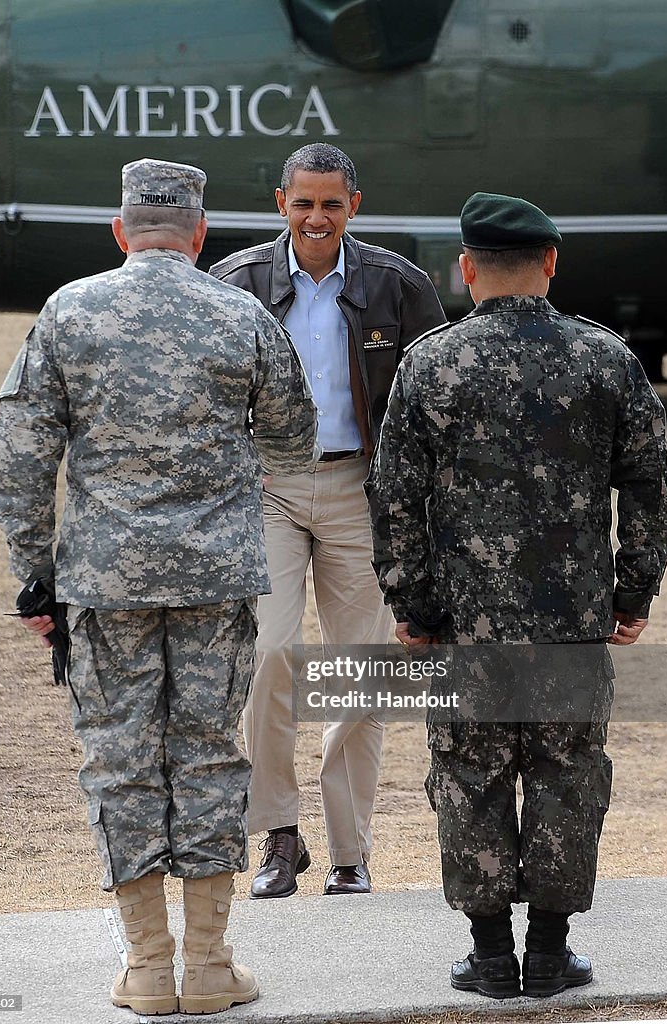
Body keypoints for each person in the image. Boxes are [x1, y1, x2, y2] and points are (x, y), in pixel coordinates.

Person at [0, 158, 318, 1016]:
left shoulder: (70, 311)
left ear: (120, 230)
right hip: (216, 579)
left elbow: (21, 459)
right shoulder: (239, 310)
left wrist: (37, 578)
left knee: (122, 758)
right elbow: (292, 436)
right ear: (200, 234)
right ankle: (209, 967)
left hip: (104, 582)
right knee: (210, 752)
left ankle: (146, 968)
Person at [366, 192, 667, 998]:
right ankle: (548, 950)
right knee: (567, 775)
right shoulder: (605, 358)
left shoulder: (429, 362)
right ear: (550, 263)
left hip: (464, 628)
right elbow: (645, 486)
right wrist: (633, 593)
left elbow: (393, 495)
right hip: (571, 623)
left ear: (465, 269)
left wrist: (412, 604)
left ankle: (489, 952)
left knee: (468, 774)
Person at [209, 143, 445, 898]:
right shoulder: (235, 283)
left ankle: (350, 851)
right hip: (270, 489)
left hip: (360, 491)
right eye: (303, 202)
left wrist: (419, 507)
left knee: (360, 672)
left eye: (331, 204)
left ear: (354, 206)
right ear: (280, 202)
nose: (316, 217)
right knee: (270, 658)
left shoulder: (397, 285)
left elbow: (434, 401)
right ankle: (278, 836)